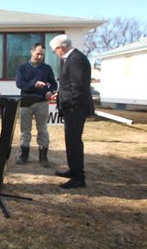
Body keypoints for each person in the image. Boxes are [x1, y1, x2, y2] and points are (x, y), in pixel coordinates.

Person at [49, 34, 95, 189]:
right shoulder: (71, 59)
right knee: (70, 140)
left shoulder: (76, 59)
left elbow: (78, 87)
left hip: (75, 108)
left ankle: (79, 177)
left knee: (74, 142)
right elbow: (69, 85)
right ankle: (73, 170)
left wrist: (68, 103)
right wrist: (60, 95)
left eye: (54, 50)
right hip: (71, 107)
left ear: (60, 48)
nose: (55, 53)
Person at [15, 43, 57, 167]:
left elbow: (54, 84)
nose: (40, 56)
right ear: (31, 52)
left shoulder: (47, 68)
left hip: (42, 102)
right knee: (25, 130)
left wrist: (51, 91)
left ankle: (43, 156)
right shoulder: (22, 68)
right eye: (38, 53)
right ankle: (24, 155)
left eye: (42, 54)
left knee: (42, 129)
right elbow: (19, 84)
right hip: (26, 102)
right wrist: (34, 85)